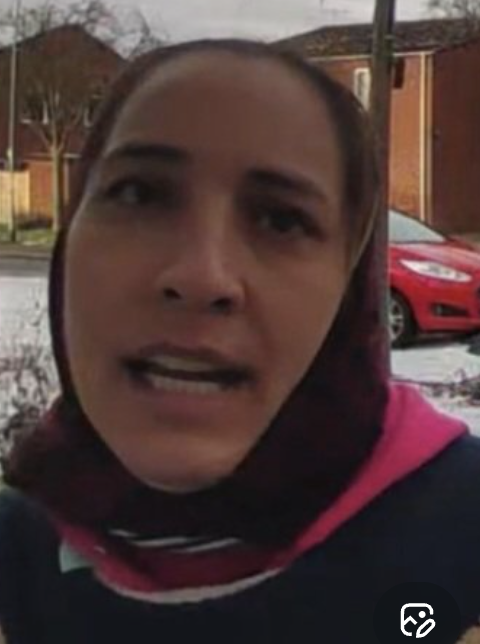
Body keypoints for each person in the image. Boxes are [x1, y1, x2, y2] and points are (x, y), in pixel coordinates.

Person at [0, 38, 479, 644]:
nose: (202, 277)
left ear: (349, 278)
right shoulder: (19, 554)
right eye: (139, 193)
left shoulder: (460, 536)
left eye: (281, 219)